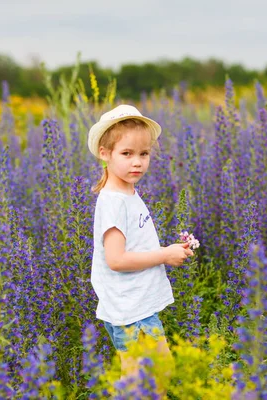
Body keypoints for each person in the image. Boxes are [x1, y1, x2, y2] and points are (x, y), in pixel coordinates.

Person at [87, 104, 194, 392]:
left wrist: (171, 249)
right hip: (129, 310)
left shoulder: (128, 193)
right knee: (143, 381)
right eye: (127, 153)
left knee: (156, 374)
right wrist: (164, 255)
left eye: (143, 154)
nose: (137, 162)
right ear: (104, 153)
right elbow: (116, 259)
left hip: (137, 305)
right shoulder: (113, 202)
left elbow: (134, 244)